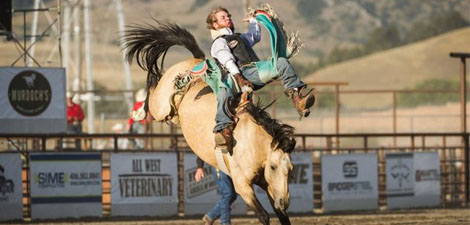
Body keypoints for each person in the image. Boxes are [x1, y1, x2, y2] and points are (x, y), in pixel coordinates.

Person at [206, 7, 316, 152]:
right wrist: (239, 78)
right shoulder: (218, 43)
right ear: (215, 25)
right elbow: (228, 61)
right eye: (223, 17)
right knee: (223, 94)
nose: (228, 18)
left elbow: (255, 36)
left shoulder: (239, 37)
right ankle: (223, 131)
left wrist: (253, 20)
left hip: (254, 71)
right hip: (236, 77)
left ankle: (298, 99)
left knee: (281, 62)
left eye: (228, 16)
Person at [195, 157, 237, 225]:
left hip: (228, 166)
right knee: (228, 193)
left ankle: (210, 216)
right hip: (218, 165)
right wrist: (200, 167)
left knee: (233, 195)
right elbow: (203, 147)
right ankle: (225, 222)